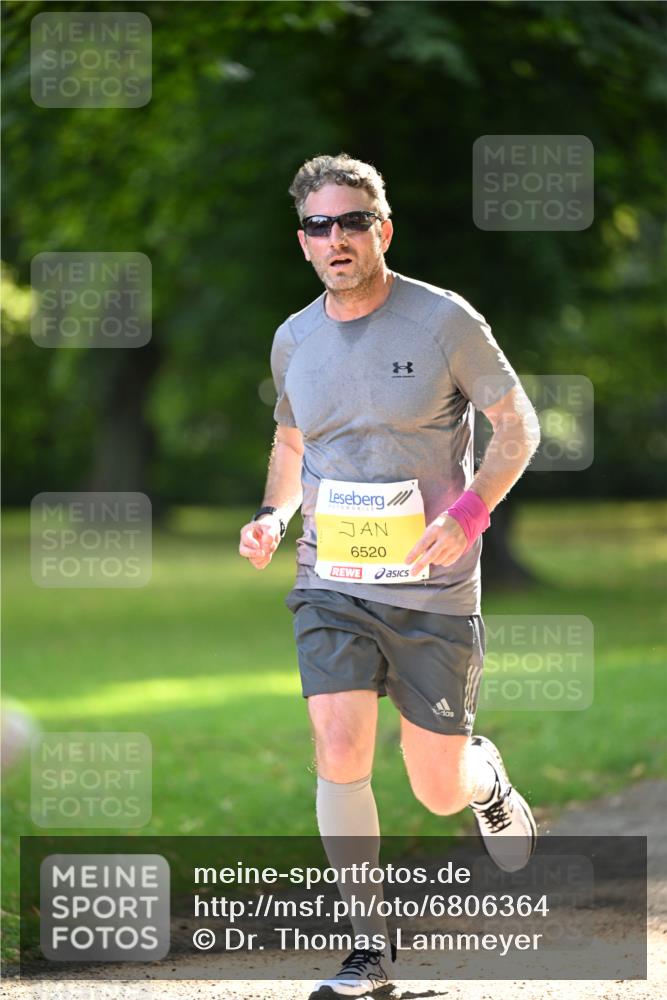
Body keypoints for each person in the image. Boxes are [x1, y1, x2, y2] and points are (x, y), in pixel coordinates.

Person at [238, 153, 540, 999]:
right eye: (318, 226)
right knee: (337, 746)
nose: (335, 239)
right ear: (301, 241)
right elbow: (294, 442)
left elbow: (517, 428)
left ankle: (484, 777)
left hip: (432, 590)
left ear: (382, 229)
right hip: (329, 581)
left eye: (351, 222)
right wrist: (272, 515)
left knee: (435, 788)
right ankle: (366, 955)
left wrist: (468, 515)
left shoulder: (444, 321)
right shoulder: (293, 337)